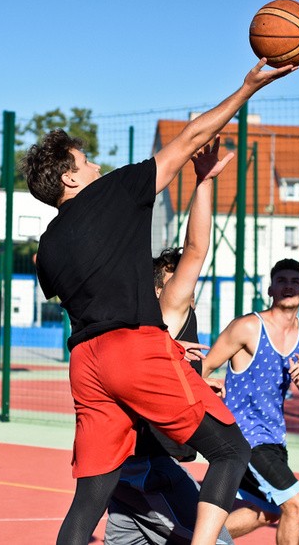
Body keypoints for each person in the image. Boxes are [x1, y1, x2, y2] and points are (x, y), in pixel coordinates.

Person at [24, 58, 296, 545]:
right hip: (132, 347)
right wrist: (247, 87)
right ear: (68, 178)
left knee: (90, 496)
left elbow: (50, 270)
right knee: (230, 450)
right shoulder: (113, 192)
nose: (96, 165)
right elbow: (191, 137)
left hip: (85, 363)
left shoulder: (48, 246)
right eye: (85, 161)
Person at [105, 138, 235, 545]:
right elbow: (196, 250)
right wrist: (204, 182)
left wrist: (198, 381)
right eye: (175, 276)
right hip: (147, 467)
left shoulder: (155, 321)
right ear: (163, 283)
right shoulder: (167, 309)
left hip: (134, 467)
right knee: (216, 541)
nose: (187, 282)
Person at [202, 258, 299, 545]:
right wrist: (205, 388)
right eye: (281, 281)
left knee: (268, 511)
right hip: (242, 435)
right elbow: (204, 368)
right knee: (294, 501)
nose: (288, 286)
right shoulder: (247, 327)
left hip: (273, 439)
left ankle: (191, 539)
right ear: (270, 289)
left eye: (295, 282)